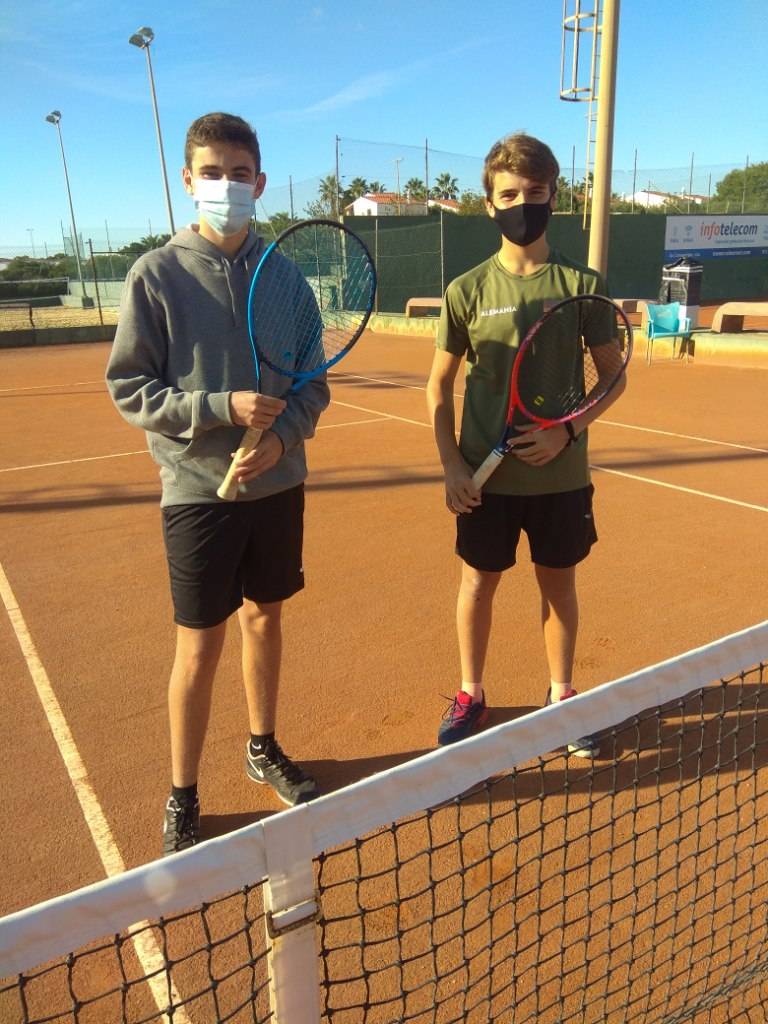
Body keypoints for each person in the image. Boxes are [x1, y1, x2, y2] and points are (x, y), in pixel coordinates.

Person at [106, 112, 329, 856]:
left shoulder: (287, 278)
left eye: (239, 174)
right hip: (197, 491)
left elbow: (313, 384)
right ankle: (184, 791)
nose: (226, 186)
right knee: (198, 646)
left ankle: (262, 747)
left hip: (278, 486)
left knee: (265, 620)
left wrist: (283, 438)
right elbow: (131, 388)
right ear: (187, 180)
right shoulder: (155, 275)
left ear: (259, 183)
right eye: (212, 172)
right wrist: (218, 408)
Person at [426, 132, 627, 751]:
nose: (522, 204)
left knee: (559, 586)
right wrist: (452, 466)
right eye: (509, 194)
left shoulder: (582, 283)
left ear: (553, 198)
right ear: (489, 203)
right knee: (477, 585)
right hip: (483, 482)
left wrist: (567, 430)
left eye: (535, 192)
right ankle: (471, 693)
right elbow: (437, 387)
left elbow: (613, 377)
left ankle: (561, 696)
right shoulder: (466, 290)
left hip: (560, 477)